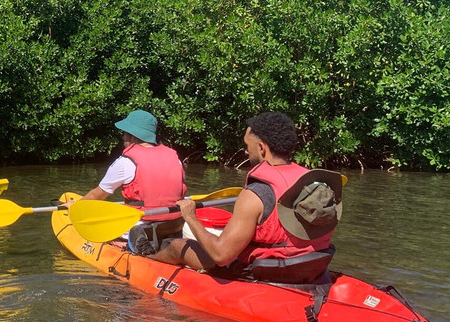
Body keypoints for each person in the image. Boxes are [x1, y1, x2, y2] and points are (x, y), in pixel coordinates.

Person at [150, 112, 342, 284]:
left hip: (263, 272)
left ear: (261, 147)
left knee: (177, 245)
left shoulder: (255, 194)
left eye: (247, 146)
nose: (245, 151)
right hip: (309, 266)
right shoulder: (315, 183)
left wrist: (190, 216)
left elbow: (221, 255)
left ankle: (144, 263)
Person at [82, 109, 186, 255]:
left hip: (142, 226)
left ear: (133, 136)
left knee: (106, 222)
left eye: (125, 133)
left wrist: (77, 206)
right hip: (173, 225)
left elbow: (96, 195)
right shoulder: (175, 158)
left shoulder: (126, 162)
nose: (123, 137)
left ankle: (139, 246)